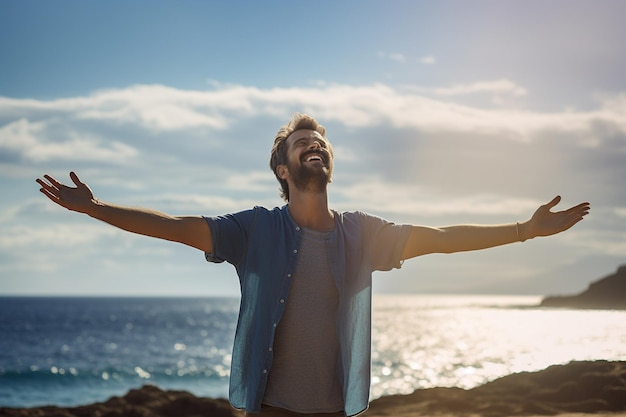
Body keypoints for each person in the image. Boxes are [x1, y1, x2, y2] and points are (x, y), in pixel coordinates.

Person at [36, 113, 590, 417]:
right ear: (281, 168)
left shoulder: (362, 234)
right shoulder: (254, 230)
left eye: (320, 142)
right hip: (270, 409)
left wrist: (524, 230)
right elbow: (174, 226)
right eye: (303, 143)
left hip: (338, 412)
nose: (314, 147)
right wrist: (98, 209)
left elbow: (442, 238)